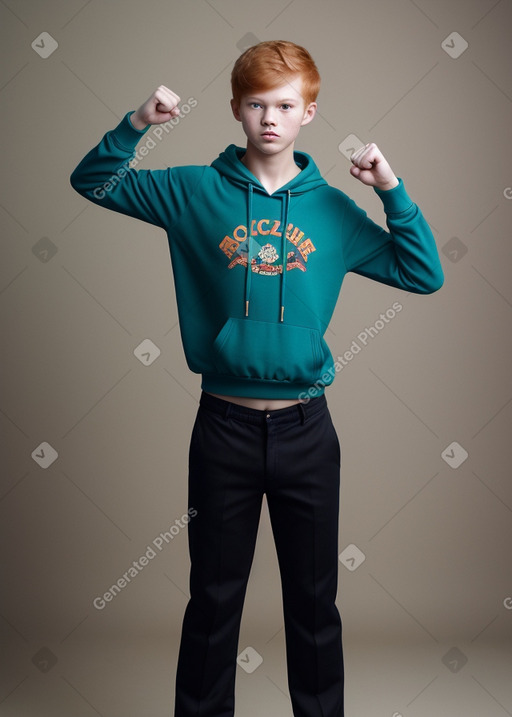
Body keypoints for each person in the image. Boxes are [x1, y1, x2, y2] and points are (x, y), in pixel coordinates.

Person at [70, 40, 444, 717]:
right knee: (214, 596)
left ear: (308, 112)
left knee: (313, 601)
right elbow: (92, 182)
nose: (270, 118)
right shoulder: (192, 191)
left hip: (307, 428)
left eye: (285, 105)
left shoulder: (332, 210)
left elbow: (423, 273)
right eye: (256, 104)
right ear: (236, 109)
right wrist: (136, 124)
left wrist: (391, 188)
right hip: (224, 426)